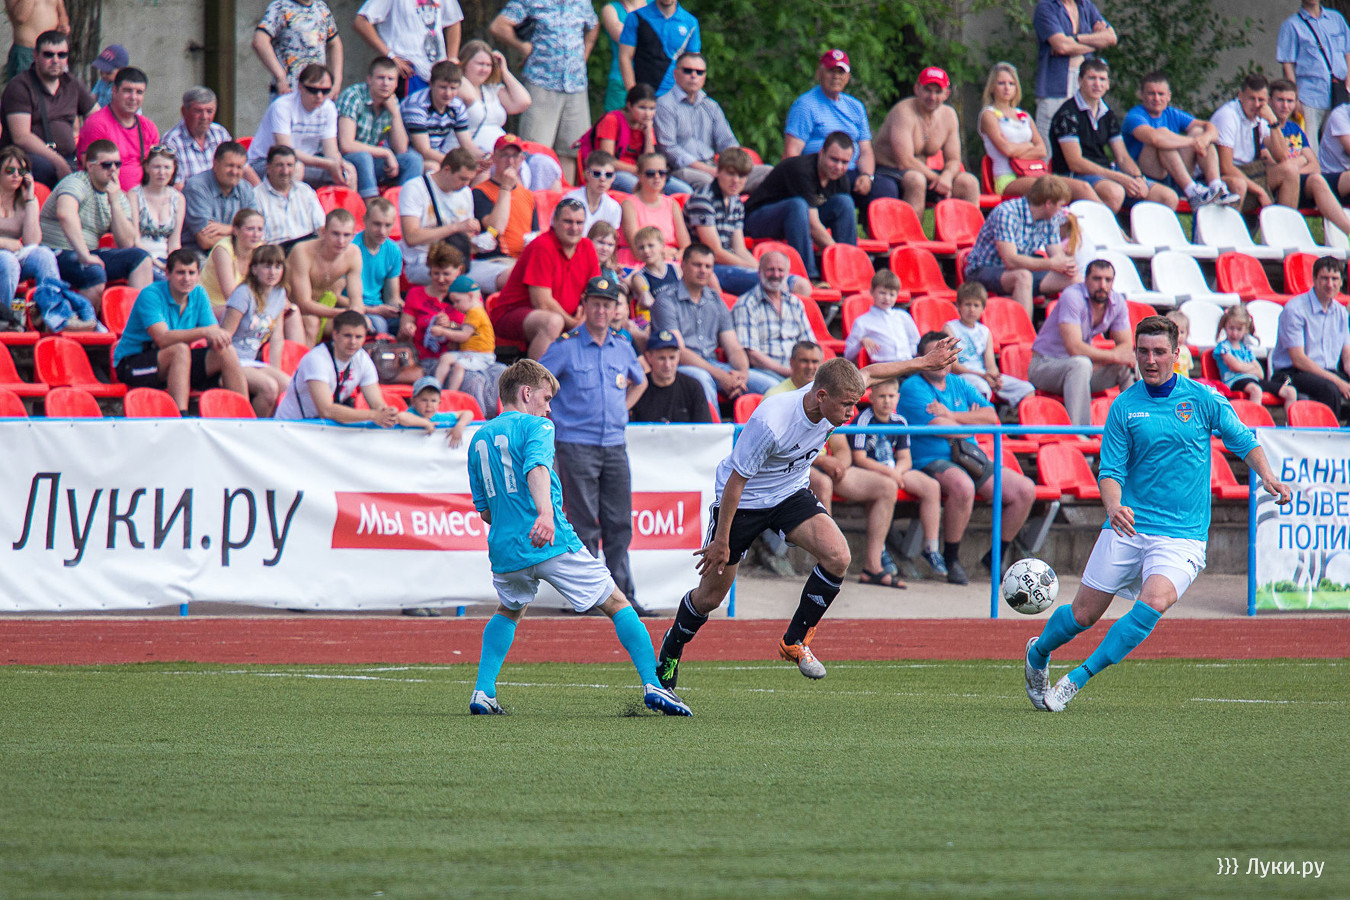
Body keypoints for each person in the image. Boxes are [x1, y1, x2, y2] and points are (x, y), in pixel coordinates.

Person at [653, 340, 961, 689]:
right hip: (745, 502)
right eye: (846, 405)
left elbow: (873, 372)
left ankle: (795, 640)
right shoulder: (773, 422)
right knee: (710, 598)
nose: (851, 413)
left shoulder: (837, 394)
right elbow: (736, 482)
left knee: (839, 556)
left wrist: (924, 361)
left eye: (854, 404)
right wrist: (722, 541)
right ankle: (672, 647)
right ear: (821, 396)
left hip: (789, 494)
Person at [1025, 315, 1292, 712]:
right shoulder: (1124, 407)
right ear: (1135, 353)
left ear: (1176, 353)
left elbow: (1243, 440)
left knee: (1154, 601)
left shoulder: (1202, 399)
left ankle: (1076, 679)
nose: (1151, 360)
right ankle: (1037, 653)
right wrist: (1113, 506)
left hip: (1182, 535)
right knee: (1083, 615)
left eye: (1159, 352)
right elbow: (1110, 471)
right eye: (1143, 352)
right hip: (1128, 526)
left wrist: (1267, 475)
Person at [466, 359, 691, 716]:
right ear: (526, 393)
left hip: (505, 548)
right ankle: (654, 685)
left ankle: (483, 690)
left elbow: (485, 511)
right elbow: (537, 467)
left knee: (509, 609)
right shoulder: (537, 426)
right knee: (616, 602)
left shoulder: (479, 438)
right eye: (546, 398)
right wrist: (544, 514)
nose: (549, 408)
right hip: (549, 539)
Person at [539, 275, 649, 610]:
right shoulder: (566, 346)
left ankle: (623, 596)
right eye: (596, 304)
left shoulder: (623, 346)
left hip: (614, 444)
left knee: (619, 523)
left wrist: (622, 410)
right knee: (584, 524)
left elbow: (640, 381)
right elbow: (538, 384)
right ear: (584, 305)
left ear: (616, 309)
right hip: (576, 444)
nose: (601, 310)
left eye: (608, 305)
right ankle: (587, 598)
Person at [897, 331, 1038, 585]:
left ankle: (996, 557)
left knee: (1025, 490)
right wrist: (969, 423)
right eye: (935, 355)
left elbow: (991, 418)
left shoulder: (958, 382)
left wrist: (951, 415)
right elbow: (941, 428)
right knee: (962, 485)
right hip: (928, 458)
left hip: (968, 455)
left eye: (947, 355)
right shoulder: (912, 387)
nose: (942, 360)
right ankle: (951, 558)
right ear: (922, 358)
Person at [112, 248, 249, 414]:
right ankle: (180, 416)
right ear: (167, 274)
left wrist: (220, 338)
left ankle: (244, 415)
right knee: (180, 350)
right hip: (132, 364)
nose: (187, 278)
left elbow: (214, 334)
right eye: (180, 273)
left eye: (191, 273)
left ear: (198, 275)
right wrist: (205, 332)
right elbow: (162, 339)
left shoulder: (199, 293)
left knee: (226, 351)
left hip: (177, 364)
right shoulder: (151, 294)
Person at [1049, 59, 1178, 213]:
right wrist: (1117, 177)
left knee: (1167, 197)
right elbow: (1075, 162)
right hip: (1074, 176)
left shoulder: (1107, 114)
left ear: (1108, 84)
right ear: (1080, 81)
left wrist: (1138, 178)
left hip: (1105, 173)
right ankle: (1105, 228)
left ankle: (1135, 228)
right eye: (1092, 78)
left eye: (1102, 79)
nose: (1097, 84)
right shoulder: (1068, 114)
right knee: (1114, 192)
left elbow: (1122, 157)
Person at [849, 376, 946, 583]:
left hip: (896, 470)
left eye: (891, 396)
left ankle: (931, 548)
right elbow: (859, 458)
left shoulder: (900, 421)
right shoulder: (864, 420)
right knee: (884, 487)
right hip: (871, 471)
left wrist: (897, 472)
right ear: (872, 398)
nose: (887, 401)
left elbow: (905, 458)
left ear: (898, 398)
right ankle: (880, 550)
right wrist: (889, 473)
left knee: (931, 486)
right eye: (881, 396)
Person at [39, 140, 153, 310]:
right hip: (55, 252)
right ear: (90, 166)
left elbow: (127, 242)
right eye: (106, 165)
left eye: (117, 164)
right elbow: (66, 214)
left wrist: (114, 202)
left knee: (140, 258)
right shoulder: (76, 182)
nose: (113, 169)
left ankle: (139, 321)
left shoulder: (117, 194)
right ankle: (85, 321)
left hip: (88, 253)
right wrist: (84, 255)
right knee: (94, 272)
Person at [652, 242, 772, 403]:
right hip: (680, 366)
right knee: (703, 380)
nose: (703, 270)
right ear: (683, 265)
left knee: (771, 386)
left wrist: (741, 375)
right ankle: (713, 420)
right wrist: (721, 376)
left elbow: (734, 347)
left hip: (713, 365)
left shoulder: (715, 300)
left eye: (708, 266)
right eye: (697, 265)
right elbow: (678, 351)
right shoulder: (666, 300)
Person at [274, 309, 434, 430]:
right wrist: (374, 415)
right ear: (335, 334)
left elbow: (378, 405)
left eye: (358, 337)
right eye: (347, 336)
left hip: (321, 428)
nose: (353, 342)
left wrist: (389, 414)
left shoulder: (362, 359)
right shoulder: (316, 359)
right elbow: (327, 410)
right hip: (291, 426)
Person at [489, 0, 599, 176]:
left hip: (576, 85)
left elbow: (593, 25)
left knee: (571, 150)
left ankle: (564, 192)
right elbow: (499, 26)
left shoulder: (581, 2)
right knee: (535, 150)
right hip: (542, 82)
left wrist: (582, 56)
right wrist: (523, 46)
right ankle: (534, 192)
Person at [1027, 258, 1135, 424]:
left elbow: (1126, 346)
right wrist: (1113, 357)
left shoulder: (1117, 301)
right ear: (1086, 280)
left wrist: (1116, 358)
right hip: (1044, 366)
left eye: (1108, 280)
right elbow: (1074, 348)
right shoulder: (1072, 296)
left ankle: (1136, 425)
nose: (1103, 285)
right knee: (1081, 364)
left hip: (1081, 370)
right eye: (1097, 279)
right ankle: (1081, 432)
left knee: (1127, 364)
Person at [489, 196, 599, 359]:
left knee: (608, 314)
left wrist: (585, 318)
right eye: (568, 221)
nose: (574, 228)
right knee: (553, 322)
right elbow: (542, 302)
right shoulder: (542, 246)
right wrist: (574, 324)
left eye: (579, 223)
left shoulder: (587, 246)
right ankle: (537, 374)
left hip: (565, 317)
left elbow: (594, 292)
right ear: (554, 222)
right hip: (513, 314)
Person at [744, 130, 857, 282]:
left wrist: (845, 254)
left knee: (844, 202)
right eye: (834, 159)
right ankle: (809, 276)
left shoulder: (841, 179)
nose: (838, 166)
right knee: (798, 205)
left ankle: (847, 274)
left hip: (796, 222)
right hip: (758, 219)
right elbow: (813, 225)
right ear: (821, 152)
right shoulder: (802, 169)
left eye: (844, 162)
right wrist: (839, 254)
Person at [655, 51, 772, 192]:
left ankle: (747, 204)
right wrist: (710, 170)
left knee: (768, 172)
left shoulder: (711, 106)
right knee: (709, 181)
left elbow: (728, 143)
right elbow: (669, 150)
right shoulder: (664, 105)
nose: (694, 76)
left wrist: (734, 169)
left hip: (715, 167)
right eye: (688, 71)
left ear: (704, 77)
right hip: (681, 170)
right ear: (675, 74)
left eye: (699, 72)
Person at [962, 174, 1077, 316]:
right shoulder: (1007, 213)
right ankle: (1024, 327)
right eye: (1060, 205)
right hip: (983, 269)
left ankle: (1067, 326)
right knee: (1023, 277)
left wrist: (1067, 265)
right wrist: (1052, 264)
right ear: (1048, 204)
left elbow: (1057, 256)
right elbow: (1010, 260)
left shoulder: (1051, 218)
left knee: (1074, 278)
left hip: (1020, 269)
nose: (1061, 210)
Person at [1121, 72, 1238, 208]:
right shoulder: (1135, 116)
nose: (1156, 98)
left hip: (1174, 174)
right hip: (1145, 176)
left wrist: (1204, 139)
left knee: (1199, 132)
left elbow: (1211, 128)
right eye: (1151, 94)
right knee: (1163, 137)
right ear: (1141, 95)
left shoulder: (1172, 113)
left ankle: (1216, 187)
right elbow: (1154, 138)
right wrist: (1194, 142)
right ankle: (1192, 192)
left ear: (1169, 96)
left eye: (1161, 94)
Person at [872, 66, 980, 214]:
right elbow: (904, 161)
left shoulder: (949, 115)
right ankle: (912, 229)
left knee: (969, 183)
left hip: (923, 174)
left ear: (946, 94)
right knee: (917, 180)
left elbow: (954, 160)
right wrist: (937, 178)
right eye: (927, 90)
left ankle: (967, 229)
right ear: (917, 89)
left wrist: (946, 177)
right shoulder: (903, 111)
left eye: (938, 92)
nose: (932, 97)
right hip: (889, 170)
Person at [0, 30, 92, 189]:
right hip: (30, 159)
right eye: (49, 55)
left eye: (61, 55)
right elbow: (21, 137)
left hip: (69, 157)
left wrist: (88, 152)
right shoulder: (20, 86)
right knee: (45, 169)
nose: (55, 60)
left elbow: (97, 117)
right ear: (35, 55)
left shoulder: (72, 83)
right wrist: (59, 162)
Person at [782, 50, 875, 202]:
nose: (836, 76)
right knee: (843, 197)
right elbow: (791, 153)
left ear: (848, 77)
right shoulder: (805, 105)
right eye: (831, 71)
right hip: (822, 173)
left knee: (884, 189)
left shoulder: (856, 107)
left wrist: (867, 176)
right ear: (819, 73)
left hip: (851, 170)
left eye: (841, 72)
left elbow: (866, 150)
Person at [248, 64, 357, 191]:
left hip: (307, 163)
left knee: (349, 170)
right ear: (300, 87)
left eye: (325, 91)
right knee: (295, 168)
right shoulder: (282, 106)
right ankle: (290, 204)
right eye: (313, 90)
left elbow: (331, 151)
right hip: (266, 162)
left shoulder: (329, 108)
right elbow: (286, 151)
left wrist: (339, 165)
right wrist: (329, 164)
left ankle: (349, 205)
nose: (319, 96)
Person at [979, 62, 1076, 199]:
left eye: (1011, 83)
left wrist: (1016, 151)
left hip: (1033, 172)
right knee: (1049, 188)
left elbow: (1042, 150)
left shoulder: (1024, 116)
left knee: (1081, 187)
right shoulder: (989, 114)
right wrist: (1029, 146)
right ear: (992, 87)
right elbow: (1006, 150)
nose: (1007, 88)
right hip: (1007, 178)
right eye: (1001, 83)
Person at [1272, 255, 1350, 419]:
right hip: (1293, 372)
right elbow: (1298, 359)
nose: (1330, 284)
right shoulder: (1295, 309)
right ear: (1314, 280)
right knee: (1330, 389)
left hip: (1327, 371)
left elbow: (1347, 357)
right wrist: (1338, 381)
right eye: (1324, 278)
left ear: (1341, 282)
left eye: (1335, 279)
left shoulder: (1341, 312)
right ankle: (1329, 433)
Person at [456, 41, 546, 183]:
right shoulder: (458, 89)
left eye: (488, 65)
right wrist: (457, 69)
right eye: (480, 64)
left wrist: (504, 70)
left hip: (504, 152)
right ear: (465, 63)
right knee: (491, 169)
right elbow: (469, 95)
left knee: (544, 164)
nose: (484, 69)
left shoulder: (492, 90)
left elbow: (523, 102)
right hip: (474, 152)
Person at [1269, 77, 1350, 234]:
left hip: (1301, 183)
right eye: (1280, 100)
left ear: (1296, 103)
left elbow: (1314, 165)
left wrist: (1294, 169)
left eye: (1290, 101)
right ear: (1270, 101)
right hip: (1280, 186)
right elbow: (1274, 164)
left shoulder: (1295, 129)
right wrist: (1300, 161)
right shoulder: (1266, 127)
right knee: (1316, 180)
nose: (1285, 106)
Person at [1032, 0, 1116, 146]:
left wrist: (1076, 39)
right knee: (1049, 145)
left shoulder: (1085, 5)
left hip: (1084, 83)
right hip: (1056, 87)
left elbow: (1111, 38)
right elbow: (1062, 46)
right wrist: (1095, 42)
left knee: (1084, 141)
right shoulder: (1046, 7)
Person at [337, 56, 422, 199]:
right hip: (344, 160)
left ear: (396, 83)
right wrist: (385, 153)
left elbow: (401, 149)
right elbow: (346, 145)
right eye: (380, 78)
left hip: (372, 161)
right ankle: (372, 205)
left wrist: (395, 114)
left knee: (413, 160)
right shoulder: (353, 96)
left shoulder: (392, 102)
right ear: (369, 79)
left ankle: (405, 204)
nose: (385, 83)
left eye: (390, 79)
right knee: (363, 157)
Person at [221, 243, 291, 417]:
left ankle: (269, 425)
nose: (272, 272)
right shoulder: (243, 293)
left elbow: (277, 338)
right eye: (267, 266)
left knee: (289, 385)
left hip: (252, 361)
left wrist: (275, 370)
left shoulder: (280, 293)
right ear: (253, 269)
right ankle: (252, 426)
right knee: (269, 387)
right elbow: (225, 336)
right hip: (232, 360)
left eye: (277, 266)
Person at [1213, 74, 1297, 212]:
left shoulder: (1262, 116)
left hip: (1252, 174)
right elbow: (1226, 167)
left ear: (1267, 100)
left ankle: (1284, 223)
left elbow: (1282, 157)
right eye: (1252, 98)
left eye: (1261, 100)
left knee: (1290, 170)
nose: (1257, 104)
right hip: (1226, 178)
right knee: (1239, 184)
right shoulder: (1228, 116)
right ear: (1240, 96)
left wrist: (1273, 121)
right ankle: (1232, 226)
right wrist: (1260, 192)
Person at [683, 147, 761, 295]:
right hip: (707, 266)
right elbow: (715, 252)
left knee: (795, 283)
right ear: (718, 172)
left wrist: (760, 268)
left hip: (730, 264)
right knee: (772, 282)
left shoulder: (736, 203)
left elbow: (739, 249)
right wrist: (754, 269)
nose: (736, 180)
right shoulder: (703, 199)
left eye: (741, 176)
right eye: (731, 174)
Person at [398, 145, 479, 286]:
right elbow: (411, 237)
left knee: (505, 276)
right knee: (459, 282)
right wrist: (454, 227)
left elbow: (465, 236)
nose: (466, 184)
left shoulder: (465, 192)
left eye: (469, 180)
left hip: (458, 259)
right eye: (462, 178)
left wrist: (476, 239)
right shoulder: (415, 188)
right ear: (446, 170)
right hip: (424, 260)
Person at [944, 282, 1035, 409]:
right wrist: (982, 376)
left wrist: (994, 378)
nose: (972, 309)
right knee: (982, 388)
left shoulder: (984, 331)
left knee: (1027, 388)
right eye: (967, 304)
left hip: (984, 375)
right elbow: (954, 367)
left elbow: (991, 365)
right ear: (958, 305)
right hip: (963, 375)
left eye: (976, 305)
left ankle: (1022, 420)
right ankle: (981, 420)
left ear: (983, 308)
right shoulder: (950, 328)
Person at [731, 250, 815, 386]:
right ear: (759, 272)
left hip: (798, 373)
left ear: (787, 273)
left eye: (780, 270)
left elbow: (810, 345)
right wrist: (790, 373)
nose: (776, 275)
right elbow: (752, 355)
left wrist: (805, 372)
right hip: (764, 372)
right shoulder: (746, 304)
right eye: (770, 269)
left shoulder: (795, 303)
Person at [592, 83, 691, 194]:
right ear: (629, 105)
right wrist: (638, 171)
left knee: (685, 191)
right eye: (642, 108)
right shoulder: (612, 120)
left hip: (644, 174)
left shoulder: (647, 125)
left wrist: (648, 134)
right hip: (617, 173)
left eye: (651, 109)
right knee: (639, 187)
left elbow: (650, 161)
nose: (647, 114)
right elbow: (607, 161)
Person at [469, 134, 538, 291]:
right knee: (519, 277)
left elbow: (536, 233)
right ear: (494, 158)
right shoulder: (480, 192)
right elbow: (496, 228)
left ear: (522, 159)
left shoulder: (528, 195)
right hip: (494, 262)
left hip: (521, 261)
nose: (510, 161)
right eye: (505, 155)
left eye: (515, 156)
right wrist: (506, 187)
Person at [353, 0, 463, 96]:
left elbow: (454, 21)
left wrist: (452, 59)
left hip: (439, 72)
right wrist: (390, 56)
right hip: (409, 71)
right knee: (410, 112)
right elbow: (361, 22)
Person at [287, 208, 365, 344]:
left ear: (353, 236)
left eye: (346, 235)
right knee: (312, 323)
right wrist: (341, 313)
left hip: (323, 308)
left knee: (355, 328)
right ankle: (304, 359)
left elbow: (356, 299)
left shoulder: (354, 254)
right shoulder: (302, 251)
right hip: (290, 309)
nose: (341, 241)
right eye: (336, 234)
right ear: (323, 232)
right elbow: (303, 303)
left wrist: (356, 313)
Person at [1277, 0, 1350, 142]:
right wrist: (1294, 96)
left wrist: (1349, 81)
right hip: (1309, 96)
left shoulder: (1336, 19)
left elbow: (1348, 50)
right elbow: (1287, 64)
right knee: (1308, 143)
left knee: (1338, 144)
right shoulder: (1291, 25)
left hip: (1339, 93)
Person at [75, 68, 158, 192]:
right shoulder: (97, 124)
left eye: (139, 92)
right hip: (105, 195)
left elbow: (157, 167)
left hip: (144, 197)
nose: (133, 97)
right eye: (127, 91)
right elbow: (91, 170)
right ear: (114, 91)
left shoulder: (149, 127)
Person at [0, 147, 60, 318]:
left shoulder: (24, 200)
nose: (16, 175)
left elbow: (31, 242)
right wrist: (5, 243)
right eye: (9, 170)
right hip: (6, 257)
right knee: (8, 260)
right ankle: (4, 318)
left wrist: (30, 200)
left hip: (14, 255)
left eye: (21, 171)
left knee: (44, 255)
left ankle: (53, 315)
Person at [253, 0, 344, 98]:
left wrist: (337, 81)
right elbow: (260, 41)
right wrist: (280, 76)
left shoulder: (321, 8)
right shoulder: (280, 7)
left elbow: (335, 44)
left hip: (317, 93)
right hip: (289, 91)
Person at [1215, 306, 1298, 408]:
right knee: (1256, 390)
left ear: (1245, 329)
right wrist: (1251, 367)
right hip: (1234, 381)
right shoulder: (1224, 347)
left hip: (1253, 380)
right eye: (1231, 328)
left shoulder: (1246, 349)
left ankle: (1290, 419)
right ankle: (1255, 418)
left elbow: (1260, 373)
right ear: (1225, 326)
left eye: (1239, 329)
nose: (1235, 333)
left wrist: (1244, 367)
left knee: (1290, 392)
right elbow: (1235, 366)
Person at [401, 60, 476, 173]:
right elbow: (424, 150)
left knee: (480, 169)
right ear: (431, 84)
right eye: (443, 87)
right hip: (409, 156)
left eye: (453, 88)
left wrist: (484, 158)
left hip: (436, 154)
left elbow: (467, 145)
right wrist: (458, 164)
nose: (448, 93)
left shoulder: (457, 105)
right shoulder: (417, 105)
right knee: (435, 168)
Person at [182, 142, 258, 253]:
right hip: (198, 254)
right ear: (215, 164)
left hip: (237, 251)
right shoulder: (197, 187)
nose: (234, 172)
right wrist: (244, 234)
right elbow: (206, 241)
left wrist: (230, 229)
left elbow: (256, 229)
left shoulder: (245, 188)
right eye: (230, 166)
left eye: (239, 167)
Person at [618, 150, 690, 266]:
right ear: (639, 176)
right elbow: (637, 251)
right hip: (638, 264)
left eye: (662, 173)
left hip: (671, 262)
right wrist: (665, 253)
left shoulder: (672, 204)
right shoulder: (629, 205)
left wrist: (675, 257)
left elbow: (686, 247)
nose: (657, 177)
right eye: (650, 173)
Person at [629, 328, 713, 423]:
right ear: (648, 357)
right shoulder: (637, 388)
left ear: (679, 356)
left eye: (672, 358)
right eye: (661, 358)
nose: (667, 365)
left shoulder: (693, 387)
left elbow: (704, 428)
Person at [618, 0, 699, 98]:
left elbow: (694, 64)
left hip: (676, 95)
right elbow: (625, 57)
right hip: (644, 94)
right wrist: (633, 93)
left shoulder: (690, 22)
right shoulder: (636, 17)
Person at [162, 87, 238, 187]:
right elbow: (175, 186)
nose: (204, 117)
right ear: (184, 112)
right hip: (190, 196)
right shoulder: (171, 141)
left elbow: (240, 167)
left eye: (209, 111)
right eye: (198, 111)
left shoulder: (220, 133)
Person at [254, 144, 326, 249]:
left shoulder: (305, 191)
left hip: (306, 249)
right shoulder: (256, 196)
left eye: (289, 165)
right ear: (268, 167)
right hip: (276, 252)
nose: (285, 171)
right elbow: (257, 239)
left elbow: (321, 227)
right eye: (280, 165)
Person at [844, 269, 920, 365]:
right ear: (872, 292)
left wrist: (910, 356)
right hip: (883, 367)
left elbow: (915, 340)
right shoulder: (862, 321)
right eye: (882, 293)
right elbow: (848, 354)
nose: (887, 298)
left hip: (907, 363)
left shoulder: (903, 316)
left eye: (891, 294)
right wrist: (861, 342)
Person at [131, 145, 185, 277]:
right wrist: (158, 264)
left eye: (167, 167)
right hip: (141, 258)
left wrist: (173, 267)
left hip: (166, 259)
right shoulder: (134, 195)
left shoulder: (178, 199)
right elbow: (134, 240)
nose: (162, 172)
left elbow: (174, 242)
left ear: (173, 169)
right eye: (157, 167)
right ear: (147, 168)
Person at [355, 197, 403, 335]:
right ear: (365, 221)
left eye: (387, 225)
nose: (382, 231)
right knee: (379, 325)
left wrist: (407, 310)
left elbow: (392, 298)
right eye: (377, 224)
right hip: (354, 308)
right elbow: (337, 297)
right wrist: (374, 310)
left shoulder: (393, 250)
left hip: (378, 308)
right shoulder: (352, 248)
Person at [201, 208, 266, 310]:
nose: (256, 234)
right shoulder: (223, 250)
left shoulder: (261, 249)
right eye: (250, 229)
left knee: (289, 312)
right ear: (235, 230)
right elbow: (231, 297)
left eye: (260, 229)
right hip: (215, 306)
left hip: (247, 304)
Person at [3, 0, 66, 82]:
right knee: (24, 88)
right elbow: (20, 17)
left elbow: (62, 14)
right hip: (26, 53)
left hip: (51, 52)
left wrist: (64, 24)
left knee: (54, 87)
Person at [600, 0, 645, 112]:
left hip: (651, 79)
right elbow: (623, 38)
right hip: (620, 81)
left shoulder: (655, 5)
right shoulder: (611, 9)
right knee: (616, 120)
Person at [564, 150, 623, 233]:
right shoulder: (571, 200)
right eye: (596, 173)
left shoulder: (614, 207)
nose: (603, 179)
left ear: (613, 178)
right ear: (587, 174)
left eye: (608, 175)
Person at [88, 43, 126, 110]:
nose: (104, 75)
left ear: (121, 71)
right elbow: (93, 97)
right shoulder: (101, 82)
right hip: (99, 112)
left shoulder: (123, 86)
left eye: (108, 73)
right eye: (101, 72)